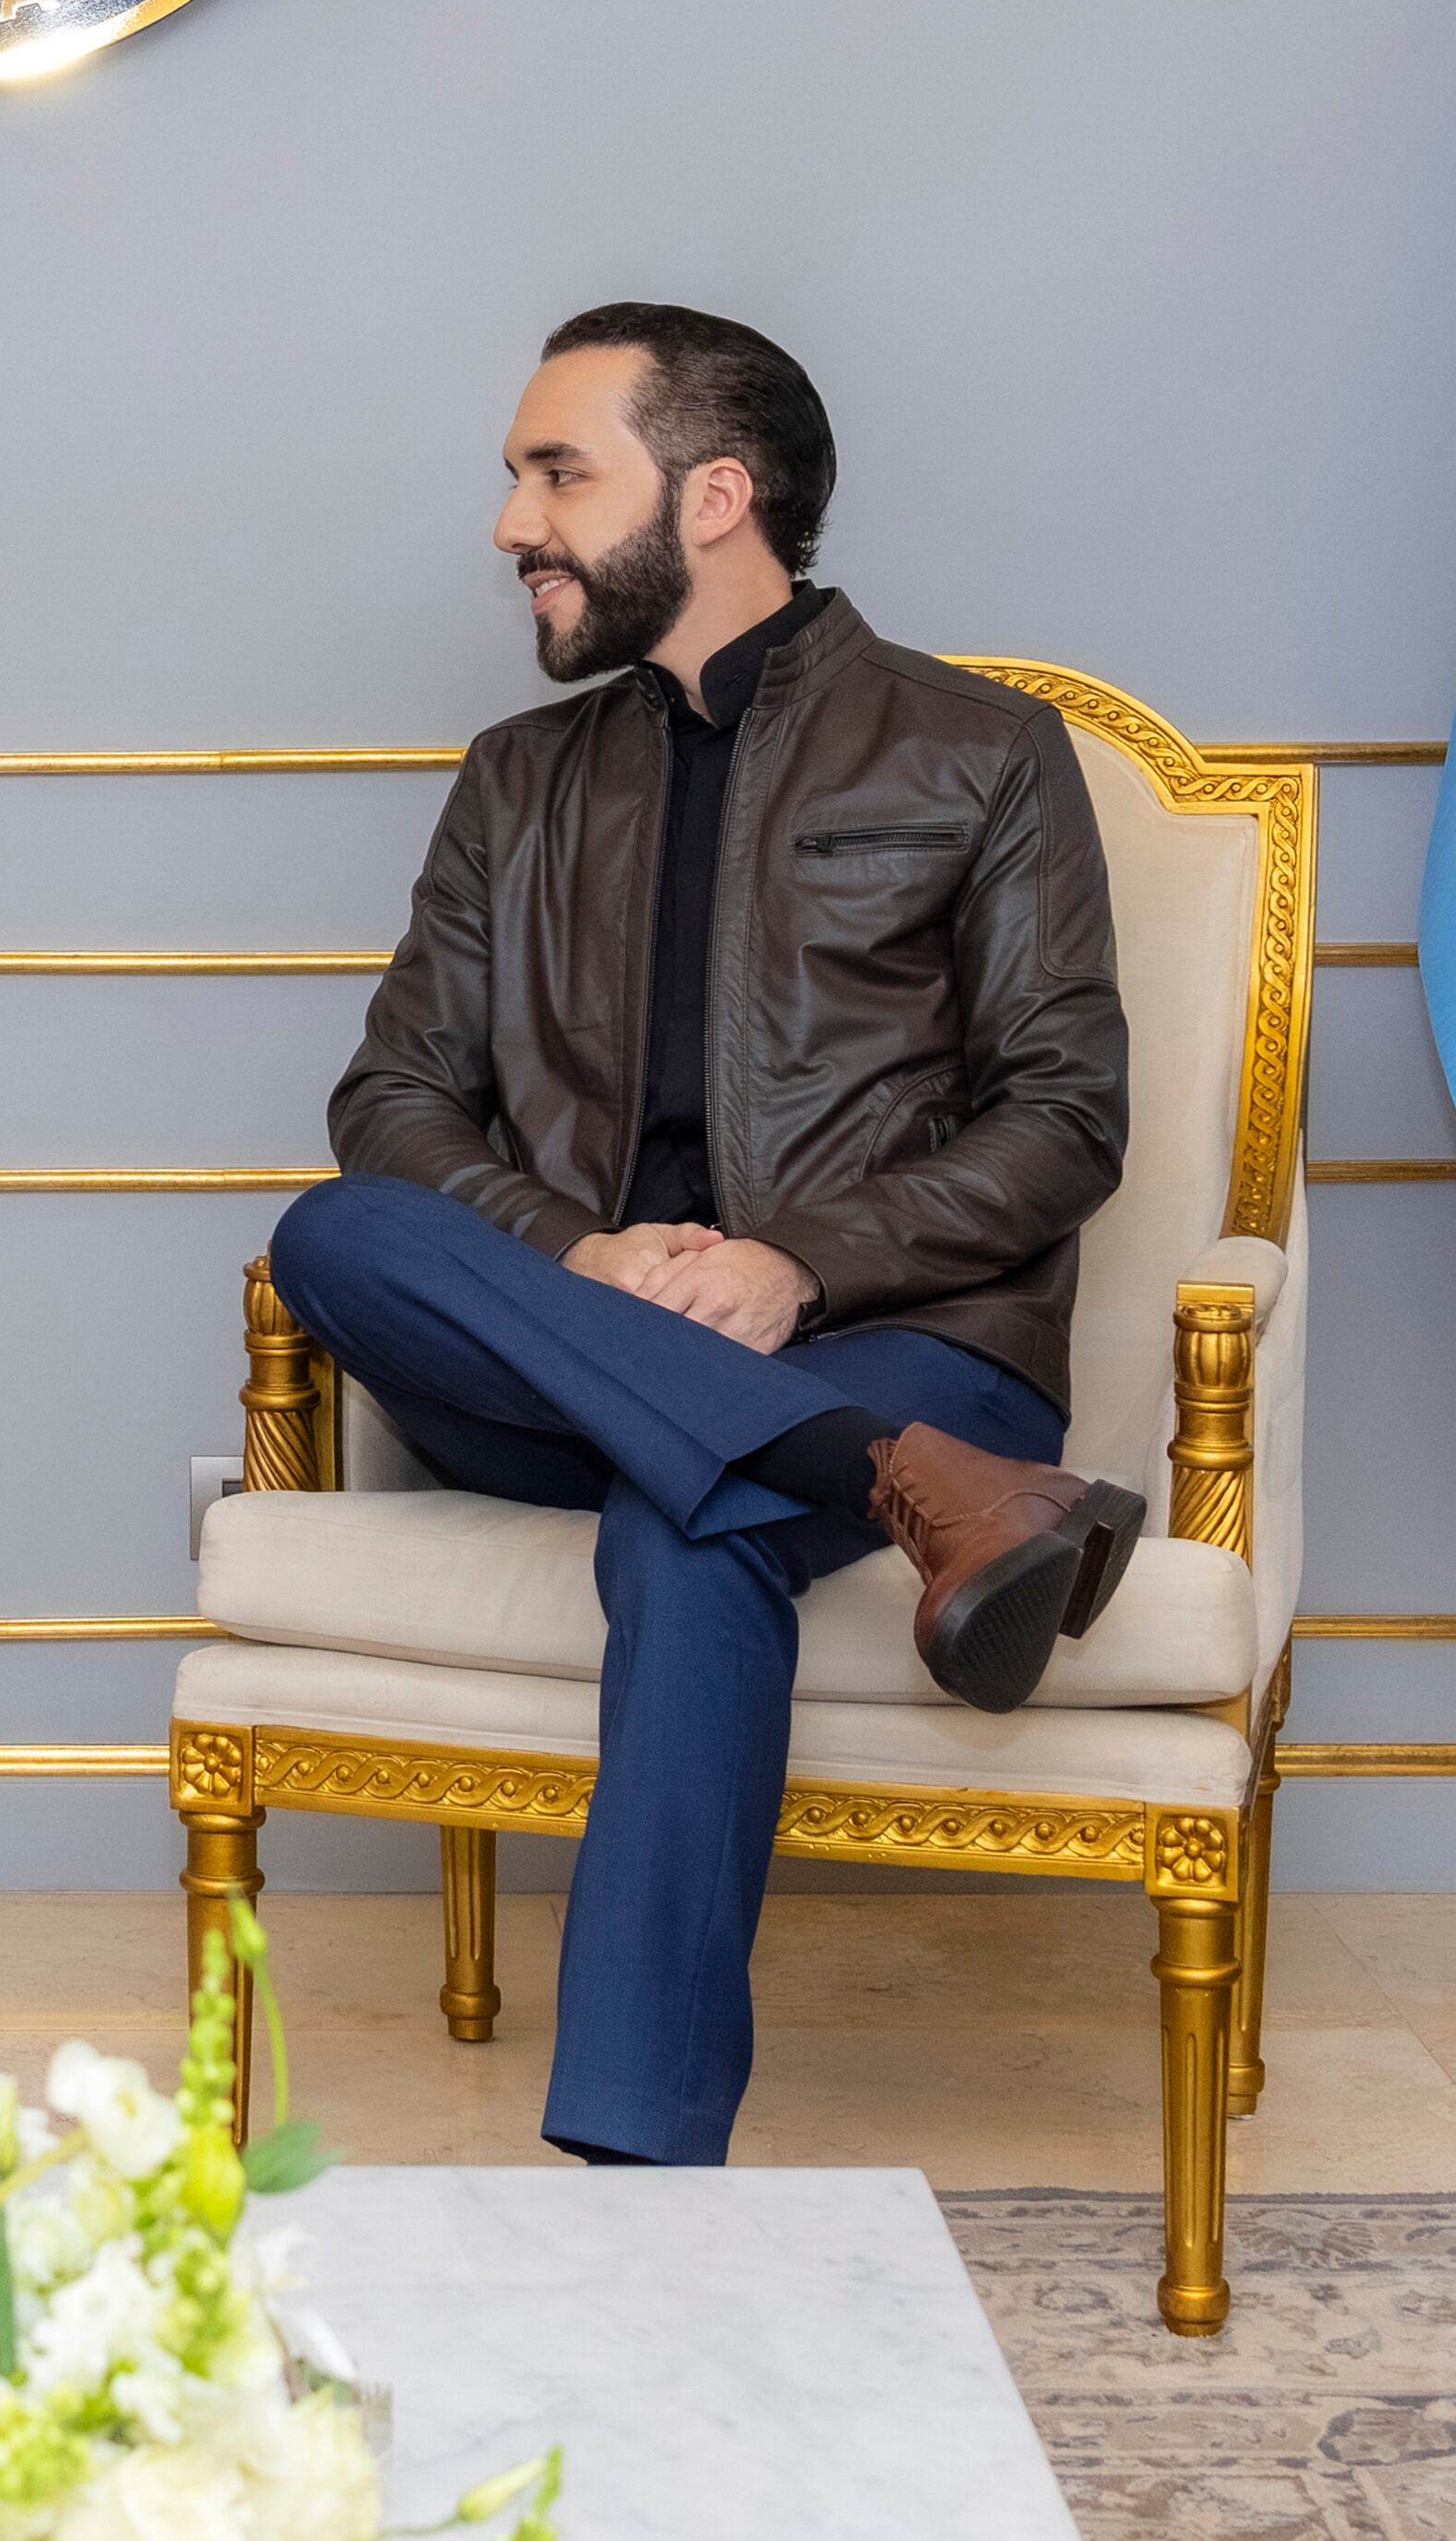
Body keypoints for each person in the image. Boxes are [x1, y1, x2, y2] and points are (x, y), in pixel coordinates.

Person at [264, 304, 1141, 2167]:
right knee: (341, 1230)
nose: (512, 519)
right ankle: (925, 1488)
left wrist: (796, 1261)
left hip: (893, 1330)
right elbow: (396, 1102)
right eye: (519, 473)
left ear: (716, 494)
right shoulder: (518, 782)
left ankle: (632, 2175)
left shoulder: (983, 755)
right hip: (578, 1357)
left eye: (556, 469)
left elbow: (1065, 1119)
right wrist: (583, 1262)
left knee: (693, 1528)